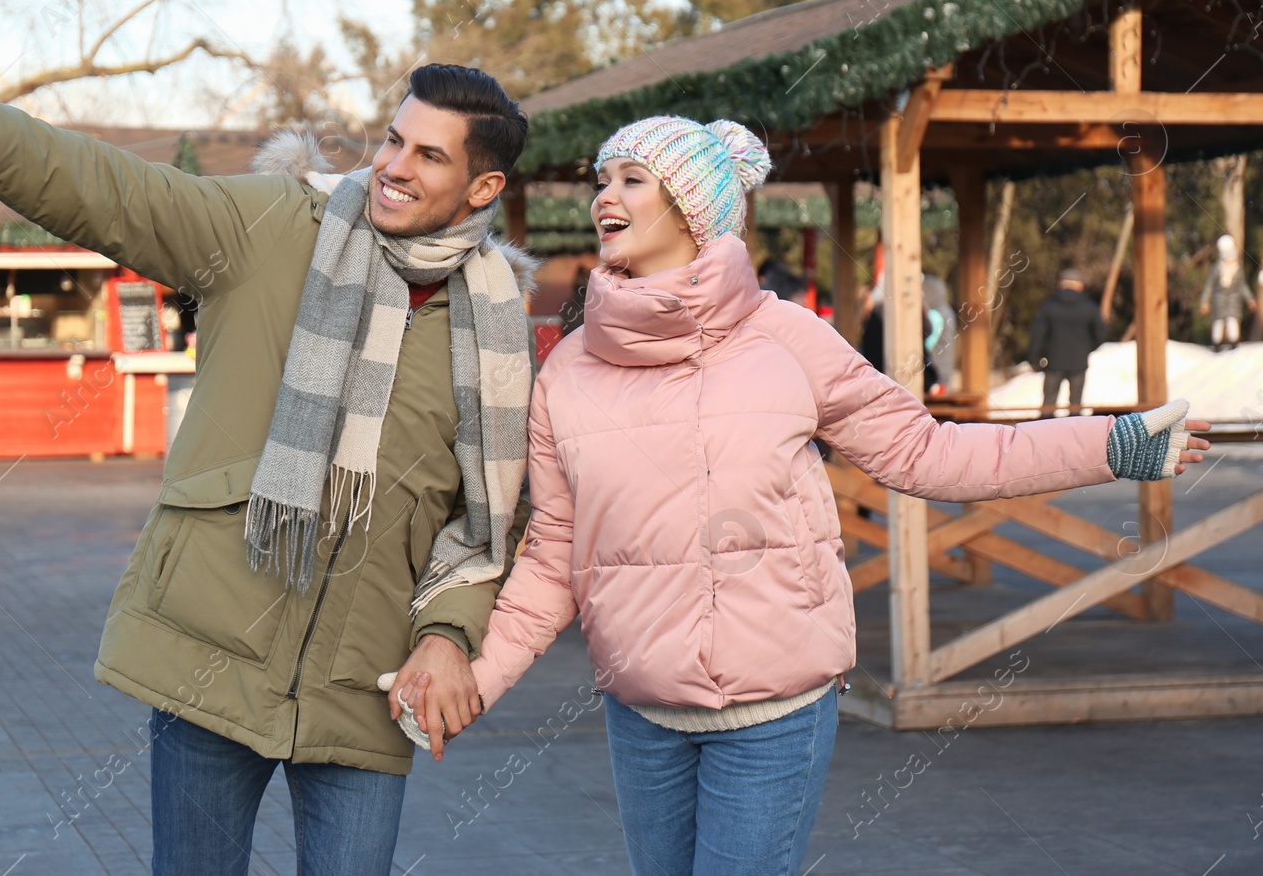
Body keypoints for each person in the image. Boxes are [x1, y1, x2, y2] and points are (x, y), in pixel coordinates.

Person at [396, 115, 1210, 876]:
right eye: (602, 178)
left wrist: (1109, 443)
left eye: (633, 178)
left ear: (691, 205)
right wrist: (473, 683)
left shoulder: (787, 337)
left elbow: (929, 452)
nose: (605, 195)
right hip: (642, 716)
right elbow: (552, 561)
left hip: (774, 711)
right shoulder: (570, 370)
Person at [0, 61, 535, 876]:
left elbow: (483, 518)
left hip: (365, 682)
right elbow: (120, 194)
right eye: (393, 139)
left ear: (483, 186)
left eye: (428, 156)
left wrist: (450, 633)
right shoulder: (281, 223)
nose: (391, 166)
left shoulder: (492, 329)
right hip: (211, 645)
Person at [1028, 267, 1108, 415]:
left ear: (1061, 285)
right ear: (1080, 286)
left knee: (1048, 405)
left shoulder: (1049, 307)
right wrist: (1086, 349)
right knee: (1076, 405)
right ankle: (1074, 435)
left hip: (1053, 362)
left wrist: (1034, 358)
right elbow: (1101, 335)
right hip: (1079, 362)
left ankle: (1042, 434)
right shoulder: (1090, 308)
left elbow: (1037, 335)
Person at [1199, 234, 1256, 351]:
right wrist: (1204, 301)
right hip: (1219, 301)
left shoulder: (1238, 270)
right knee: (1218, 323)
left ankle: (1234, 344)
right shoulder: (1217, 269)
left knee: (1233, 322)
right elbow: (1209, 286)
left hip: (1234, 301)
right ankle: (1216, 344)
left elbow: (1243, 286)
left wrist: (1250, 299)